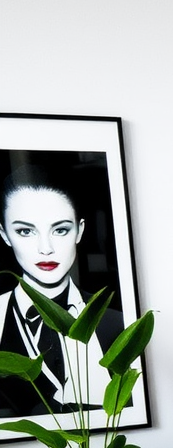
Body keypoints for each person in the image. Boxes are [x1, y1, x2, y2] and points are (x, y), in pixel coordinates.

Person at [0, 163, 122, 416]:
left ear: (80, 231)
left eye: (60, 230)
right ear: (4, 235)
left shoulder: (115, 324)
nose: (46, 248)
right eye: (25, 231)